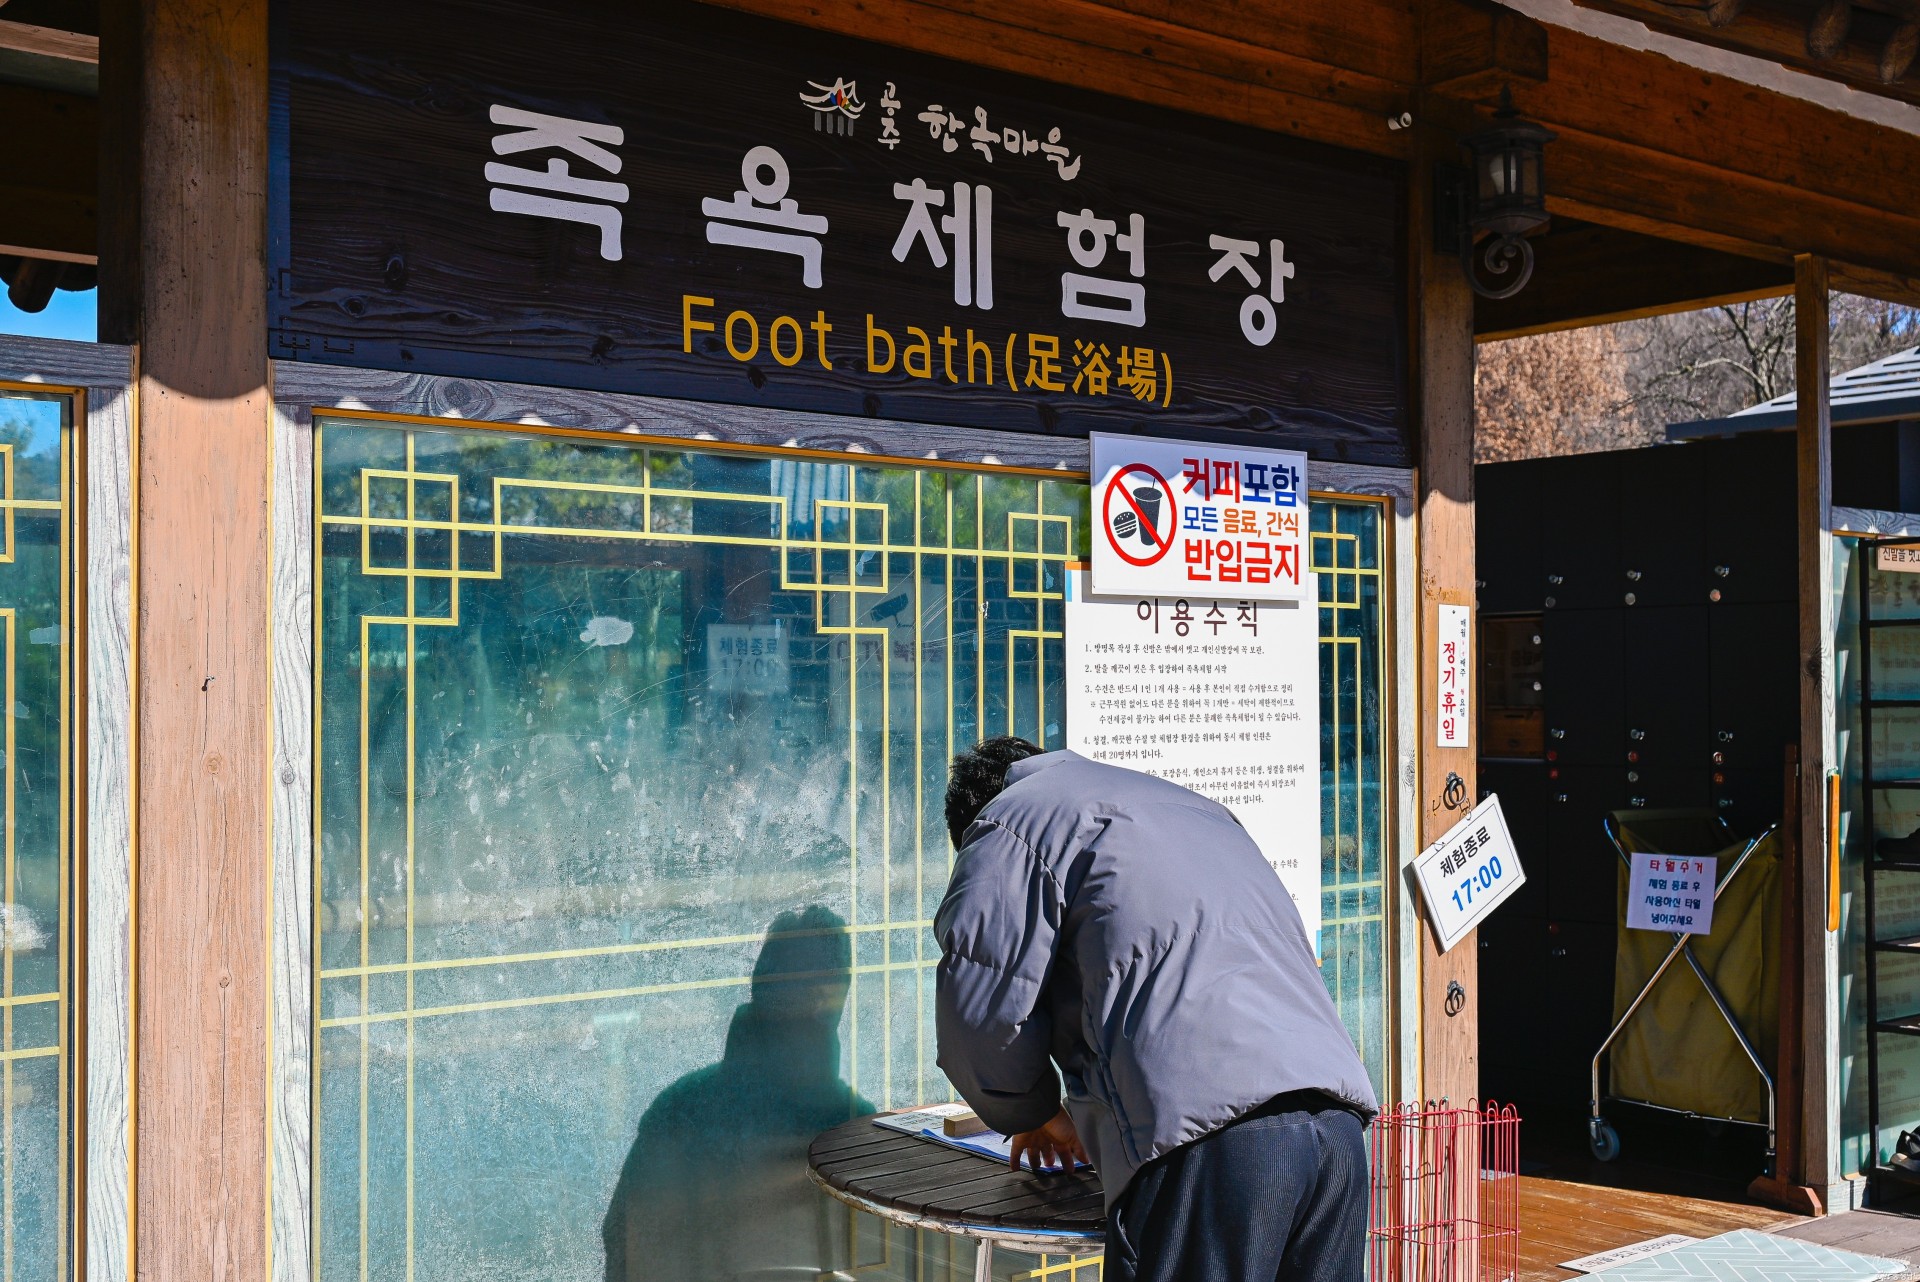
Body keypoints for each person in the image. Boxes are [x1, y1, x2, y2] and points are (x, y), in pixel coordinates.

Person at [933, 737, 1378, 1282]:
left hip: (1211, 1142)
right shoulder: (1188, 806)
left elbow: (980, 1017)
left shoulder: (1009, 821)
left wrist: (1035, 1113)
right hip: (1337, 1127)